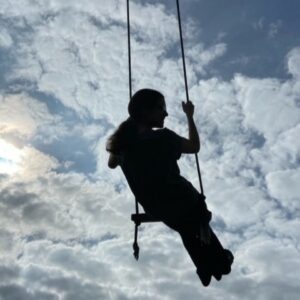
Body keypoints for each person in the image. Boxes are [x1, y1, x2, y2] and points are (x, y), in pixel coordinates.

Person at [106, 88, 233, 286]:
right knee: (198, 228)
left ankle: (208, 267)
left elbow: (111, 164)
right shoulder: (164, 138)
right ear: (145, 111)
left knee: (187, 229)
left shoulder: (122, 146)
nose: (165, 113)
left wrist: (127, 133)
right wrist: (190, 116)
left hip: (161, 209)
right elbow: (194, 146)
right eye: (160, 108)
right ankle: (215, 263)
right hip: (186, 202)